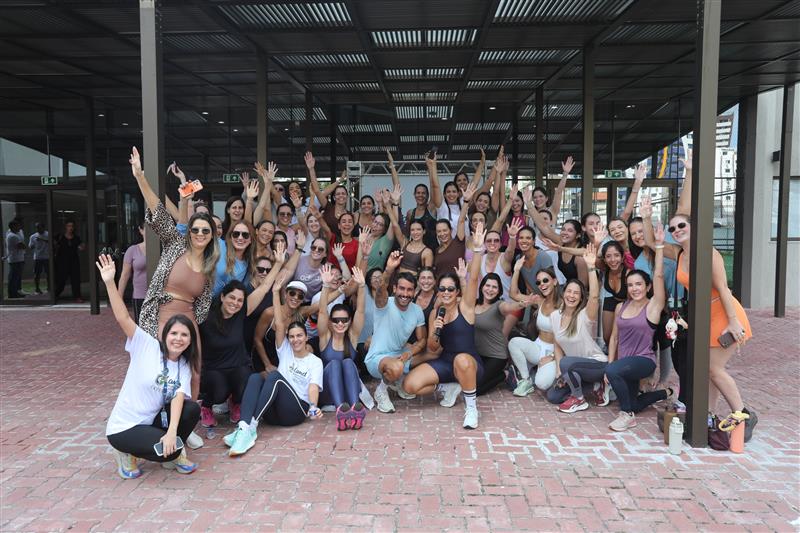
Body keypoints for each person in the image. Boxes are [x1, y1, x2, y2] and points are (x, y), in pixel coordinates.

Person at [645, 161, 755, 436]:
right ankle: (709, 414)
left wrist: (733, 322)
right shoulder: (679, 253)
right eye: (673, 228)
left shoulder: (708, 252)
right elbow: (650, 241)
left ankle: (742, 413)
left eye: (681, 225)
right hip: (704, 315)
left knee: (714, 369)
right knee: (707, 370)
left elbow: (724, 289)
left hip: (724, 313)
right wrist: (646, 217)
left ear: (693, 226)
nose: (677, 230)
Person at [129, 147, 219, 417]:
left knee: (193, 370)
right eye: (195, 229)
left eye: (205, 230)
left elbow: (203, 303)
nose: (200, 233)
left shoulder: (209, 265)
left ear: (212, 235)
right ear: (189, 232)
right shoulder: (176, 245)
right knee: (158, 368)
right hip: (161, 315)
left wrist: (192, 321)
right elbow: (157, 211)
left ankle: (186, 421)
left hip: (188, 319)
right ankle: (155, 418)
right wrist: (140, 176)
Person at [98, 254, 200, 478]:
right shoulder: (146, 345)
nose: (178, 339)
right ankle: (126, 453)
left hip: (152, 422)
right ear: (165, 335)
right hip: (125, 427)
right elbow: (123, 318)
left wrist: (172, 432)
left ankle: (172, 452)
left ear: (190, 341)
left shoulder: (183, 365)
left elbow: (178, 399)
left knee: (192, 410)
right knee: (167, 451)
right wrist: (110, 283)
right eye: (174, 333)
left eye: (184, 335)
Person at [225, 274, 324, 457]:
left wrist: (313, 405)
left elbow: (312, 387)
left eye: (299, 336)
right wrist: (276, 292)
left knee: (275, 377)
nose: (295, 340)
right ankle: (244, 426)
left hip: (295, 411)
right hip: (273, 414)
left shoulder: (314, 361)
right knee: (256, 377)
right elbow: (278, 322)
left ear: (306, 337)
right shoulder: (284, 349)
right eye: (291, 336)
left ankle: (250, 428)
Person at [402, 222, 487, 429]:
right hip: (446, 363)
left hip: (469, 364)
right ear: (438, 291)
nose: (446, 293)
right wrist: (436, 332)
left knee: (462, 360)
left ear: (457, 292)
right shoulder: (435, 313)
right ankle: (446, 388)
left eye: (450, 289)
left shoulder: (465, 307)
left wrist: (477, 250)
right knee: (409, 385)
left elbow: (473, 280)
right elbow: (432, 348)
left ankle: (471, 408)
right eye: (442, 289)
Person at [604, 224, 672, 431]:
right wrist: (610, 365)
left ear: (647, 286)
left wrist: (659, 247)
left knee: (625, 404)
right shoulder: (621, 307)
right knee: (632, 401)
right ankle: (666, 393)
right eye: (631, 285)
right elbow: (614, 338)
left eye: (639, 284)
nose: (634, 288)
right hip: (624, 364)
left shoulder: (653, 307)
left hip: (644, 361)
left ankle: (627, 416)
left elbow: (658, 275)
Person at [198, 272, 277, 429]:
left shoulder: (241, 313)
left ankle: (236, 402)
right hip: (213, 369)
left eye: (240, 300)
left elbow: (264, 287)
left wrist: (279, 263)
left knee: (247, 380)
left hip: (238, 365)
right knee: (219, 392)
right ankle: (206, 406)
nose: (235, 303)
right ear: (222, 297)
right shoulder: (206, 318)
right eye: (232, 298)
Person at [545, 244, 609, 412]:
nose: (571, 296)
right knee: (553, 396)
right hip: (573, 369)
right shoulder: (555, 316)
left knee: (567, 362)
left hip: (596, 365)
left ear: (581, 298)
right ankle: (595, 387)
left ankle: (579, 399)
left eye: (576, 293)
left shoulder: (585, 315)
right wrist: (559, 371)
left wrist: (591, 267)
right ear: (563, 293)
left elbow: (594, 296)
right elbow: (558, 344)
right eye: (569, 291)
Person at [365, 251, 428, 413]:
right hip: (377, 359)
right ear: (394, 289)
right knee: (397, 367)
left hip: (400, 355)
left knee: (434, 352)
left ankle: (401, 382)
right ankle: (381, 391)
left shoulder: (417, 311)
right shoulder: (385, 303)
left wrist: (409, 353)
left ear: (414, 292)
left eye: (409, 290)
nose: (405, 294)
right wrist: (388, 270)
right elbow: (380, 291)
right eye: (401, 289)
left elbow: (422, 340)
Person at [317, 265, 368, 429]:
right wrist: (325, 285)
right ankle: (341, 411)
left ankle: (355, 409)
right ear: (330, 322)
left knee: (348, 362)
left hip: (348, 392)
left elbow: (360, 311)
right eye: (336, 320)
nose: (340, 323)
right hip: (328, 394)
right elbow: (322, 311)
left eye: (344, 320)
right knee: (334, 364)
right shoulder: (325, 336)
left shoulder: (351, 337)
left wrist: (361, 286)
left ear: (349, 321)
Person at [508, 265, 562, 396]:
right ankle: (526, 380)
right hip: (538, 347)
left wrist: (552, 357)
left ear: (555, 281)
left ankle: (537, 371)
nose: (542, 284)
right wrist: (516, 270)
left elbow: (567, 338)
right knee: (513, 342)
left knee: (541, 384)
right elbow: (514, 294)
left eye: (545, 280)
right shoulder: (539, 300)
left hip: (555, 352)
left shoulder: (564, 304)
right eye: (538, 282)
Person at [473, 272, 528, 395]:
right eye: (488, 285)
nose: (490, 290)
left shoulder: (499, 305)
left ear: (499, 291)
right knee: (467, 382)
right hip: (478, 355)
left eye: (494, 287)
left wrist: (520, 304)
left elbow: (509, 307)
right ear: (482, 287)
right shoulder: (474, 303)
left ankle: (506, 374)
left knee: (475, 390)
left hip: (496, 356)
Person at [118, 223, 147, 323]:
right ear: (141, 230)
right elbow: (124, 275)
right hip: (140, 296)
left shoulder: (162, 249)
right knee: (141, 328)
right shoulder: (132, 250)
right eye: (148, 229)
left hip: (158, 296)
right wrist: (119, 299)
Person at [55, 220, 84, 302]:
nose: (70, 228)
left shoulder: (76, 238)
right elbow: (54, 245)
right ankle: (55, 295)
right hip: (62, 261)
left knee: (75, 279)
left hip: (74, 261)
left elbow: (81, 246)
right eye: (69, 226)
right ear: (65, 227)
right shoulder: (60, 237)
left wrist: (82, 247)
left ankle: (77, 296)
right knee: (61, 279)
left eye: (72, 226)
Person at [405, 183, 439, 251]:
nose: (420, 195)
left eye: (423, 193)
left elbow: (434, 188)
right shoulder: (410, 213)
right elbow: (407, 234)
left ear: (428, 195)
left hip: (432, 250)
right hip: (416, 251)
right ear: (414, 194)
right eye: (418, 193)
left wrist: (431, 175)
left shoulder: (431, 209)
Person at [5, 219, 26, 298]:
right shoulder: (13, 236)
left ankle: (15, 293)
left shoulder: (14, 234)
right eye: (18, 226)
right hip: (15, 259)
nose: (19, 227)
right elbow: (22, 246)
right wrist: (23, 245)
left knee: (15, 277)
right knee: (14, 278)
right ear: (13, 227)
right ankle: (12, 294)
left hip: (17, 259)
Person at [28, 222, 49, 294]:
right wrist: (33, 245)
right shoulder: (33, 236)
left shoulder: (48, 234)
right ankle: (37, 289)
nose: (38, 229)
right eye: (36, 228)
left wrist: (42, 239)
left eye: (39, 227)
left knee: (48, 273)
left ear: (43, 227)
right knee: (37, 274)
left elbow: (52, 243)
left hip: (47, 257)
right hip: (37, 257)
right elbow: (30, 247)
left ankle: (49, 287)